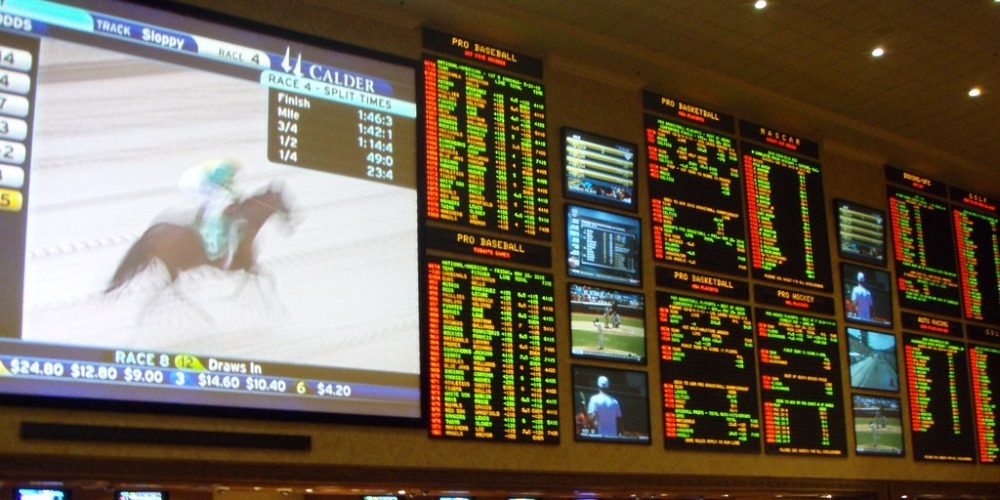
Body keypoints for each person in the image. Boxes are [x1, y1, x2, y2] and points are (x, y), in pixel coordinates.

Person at [178, 159, 242, 269]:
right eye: (233, 173)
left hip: (196, 179)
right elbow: (222, 186)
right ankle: (211, 240)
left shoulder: (223, 171)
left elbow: (228, 187)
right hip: (192, 183)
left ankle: (204, 222)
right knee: (216, 204)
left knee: (219, 199)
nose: (233, 175)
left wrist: (235, 194)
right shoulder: (221, 172)